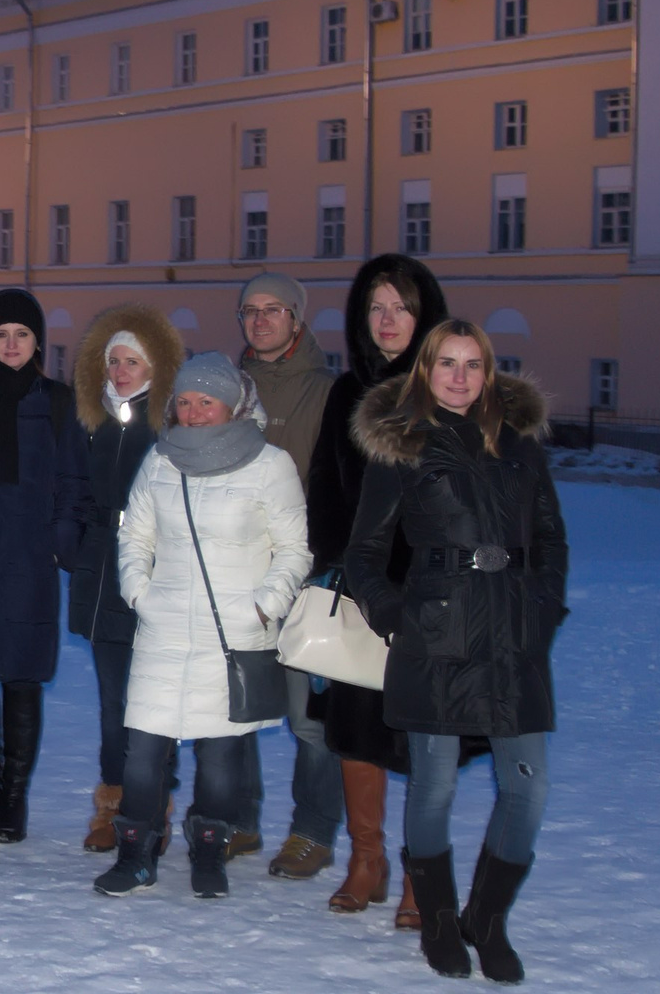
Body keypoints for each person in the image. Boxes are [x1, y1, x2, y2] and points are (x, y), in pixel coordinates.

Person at [345, 320, 567, 982]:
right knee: (434, 785)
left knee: (528, 787)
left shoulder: (520, 444)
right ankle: (439, 921)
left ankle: (487, 920)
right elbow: (364, 554)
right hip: (437, 635)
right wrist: (398, 619)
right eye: (447, 363)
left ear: (489, 372)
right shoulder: (403, 445)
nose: (460, 377)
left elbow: (551, 538)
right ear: (426, 370)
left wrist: (542, 608)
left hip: (513, 636)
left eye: (473, 364)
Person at [95, 352, 310, 900]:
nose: (192, 413)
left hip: (233, 633)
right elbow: (134, 534)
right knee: (142, 752)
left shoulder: (271, 465)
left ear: (233, 406)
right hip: (163, 627)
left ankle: (209, 850)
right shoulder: (160, 459)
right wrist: (139, 593)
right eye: (185, 401)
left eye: (206, 401)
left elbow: (293, 550)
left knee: (220, 756)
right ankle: (135, 855)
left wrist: (262, 607)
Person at [307, 253, 449, 926]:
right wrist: (333, 563)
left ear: (425, 315)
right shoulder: (347, 392)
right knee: (358, 727)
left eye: (401, 307)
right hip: (363, 590)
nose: (388, 320)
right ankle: (367, 860)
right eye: (376, 308)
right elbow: (325, 488)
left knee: (424, 736)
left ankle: (423, 872)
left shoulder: (446, 390)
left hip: (431, 592)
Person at [0, 288, 84, 843]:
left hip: (30, 557)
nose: (11, 344)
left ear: (38, 342)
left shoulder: (59, 402)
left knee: (23, 677)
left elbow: (74, 479)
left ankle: (14, 800)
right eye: (1, 334)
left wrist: (60, 540)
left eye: (22, 334)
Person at [234, 272, 342, 875]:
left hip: (306, 576)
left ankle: (313, 832)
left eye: (273, 309)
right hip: (237, 573)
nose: (260, 320)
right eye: (250, 310)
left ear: (297, 319)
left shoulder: (327, 392)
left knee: (308, 717)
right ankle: (238, 819)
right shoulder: (228, 387)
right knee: (237, 705)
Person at [69, 303, 182, 854]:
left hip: (154, 572)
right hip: (101, 573)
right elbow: (72, 489)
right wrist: (72, 543)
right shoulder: (92, 420)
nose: (119, 371)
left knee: (155, 701)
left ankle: (151, 808)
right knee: (113, 702)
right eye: (112, 361)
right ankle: (111, 807)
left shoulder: (171, 425)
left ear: (154, 366)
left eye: (131, 361)